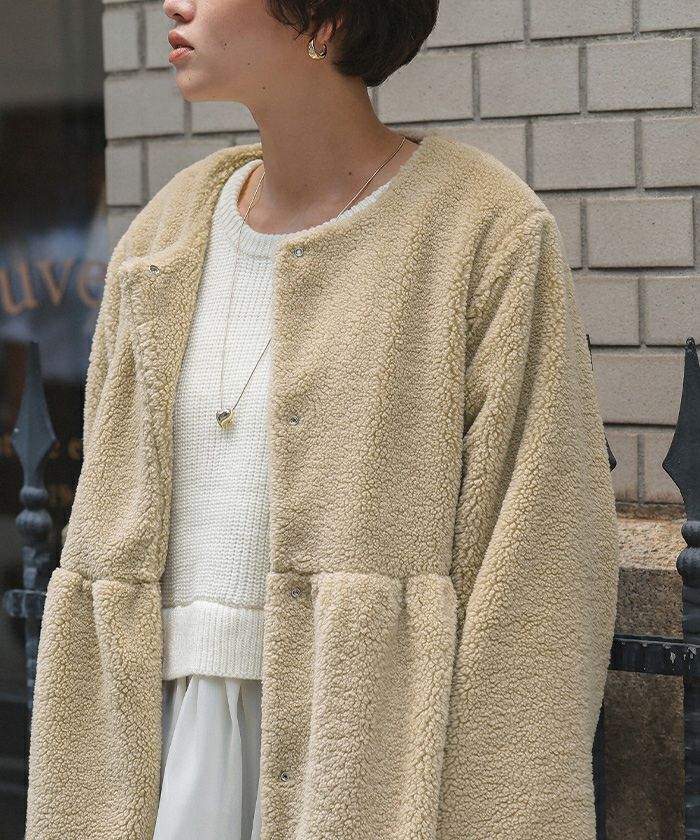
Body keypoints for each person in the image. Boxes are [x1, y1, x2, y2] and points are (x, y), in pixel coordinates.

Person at [24, 1, 621, 839]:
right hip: (158, 742)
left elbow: (539, 567)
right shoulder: (165, 233)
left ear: (325, 18)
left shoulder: (482, 232)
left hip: (362, 759)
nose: (174, 3)